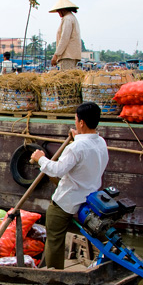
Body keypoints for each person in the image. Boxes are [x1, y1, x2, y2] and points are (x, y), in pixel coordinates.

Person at [30, 102, 108, 270]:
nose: (75, 123)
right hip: (89, 200)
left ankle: (54, 274)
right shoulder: (101, 142)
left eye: (76, 120)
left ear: (81, 123)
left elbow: (57, 170)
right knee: (98, 235)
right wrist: (77, 136)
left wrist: (40, 158)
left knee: (55, 238)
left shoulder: (76, 147)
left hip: (67, 202)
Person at [49, 0, 81, 70]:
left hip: (67, 55)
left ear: (62, 10)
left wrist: (56, 55)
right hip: (71, 54)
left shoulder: (67, 19)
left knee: (66, 77)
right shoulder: (71, 18)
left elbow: (64, 38)